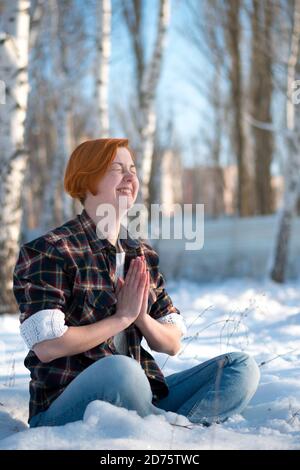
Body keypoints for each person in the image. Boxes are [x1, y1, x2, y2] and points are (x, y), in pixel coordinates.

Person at [13, 138, 260, 428]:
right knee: (121, 371)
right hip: (68, 406)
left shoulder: (141, 253)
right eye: (117, 168)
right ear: (86, 178)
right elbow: (48, 346)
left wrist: (141, 317)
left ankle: (173, 432)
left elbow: (172, 343)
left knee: (240, 368)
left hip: (142, 395)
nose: (131, 177)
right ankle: (170, 430)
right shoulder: (50, 250)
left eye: (133, 168)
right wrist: (122, 318)